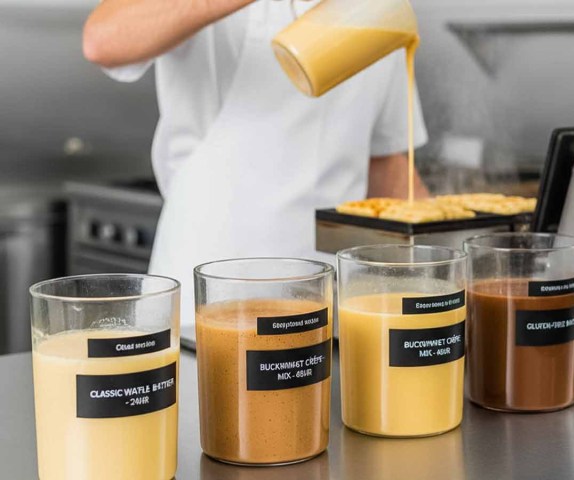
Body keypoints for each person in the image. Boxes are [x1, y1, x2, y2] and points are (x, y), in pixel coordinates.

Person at [83, 0, 429, 326]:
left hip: (326, 295)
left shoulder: (382, 9)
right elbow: (103, 40)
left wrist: (440, 263)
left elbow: (385, 163)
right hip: (209, 289)